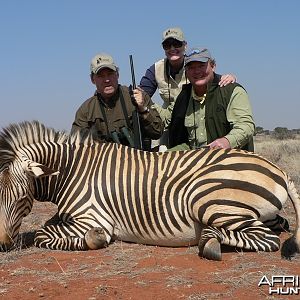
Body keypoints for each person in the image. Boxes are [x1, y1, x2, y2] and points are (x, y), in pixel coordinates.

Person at [139, 27, 237, 149]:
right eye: (167, 45)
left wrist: (228, 77)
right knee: (161, 154)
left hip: (193, 115)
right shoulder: (156, 68)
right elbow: (142, 93)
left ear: (185, 45)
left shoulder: (193, 61)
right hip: (169, 118)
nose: (172, 48)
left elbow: (210, 77)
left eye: (177, 44)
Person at [168, 47, 255, 151]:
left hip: (230, 159)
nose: (196, 71)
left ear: (213, 66)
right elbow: (188, 143)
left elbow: (246, 126)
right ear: (186, 72)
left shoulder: (232, 90)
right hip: (198, 161)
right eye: (191, 67)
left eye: (201, 66)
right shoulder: (183, 97)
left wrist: (227, 141)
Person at [71, 53, 163, 149]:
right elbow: (75, 146)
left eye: (110, 74)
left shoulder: (138, 96)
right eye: (101, 76)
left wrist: (143, 109)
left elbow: (157, 132)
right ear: (92, 79)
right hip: (105, 162)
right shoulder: (86, 110)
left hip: (140, 160)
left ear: (117, 75)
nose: (107, 80)